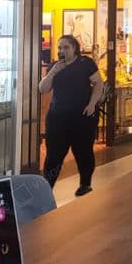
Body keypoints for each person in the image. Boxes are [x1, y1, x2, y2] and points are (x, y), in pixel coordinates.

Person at [39, 35, 104, 196]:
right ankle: (47, 190)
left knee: (83, 152)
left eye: (66, 47)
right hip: (57, 117)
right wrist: (53, 71)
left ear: (75, 48)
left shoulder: (85, 63)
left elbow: (98, 83)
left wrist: (92, 104)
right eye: (60, 48)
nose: (62, 51)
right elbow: (43, 88)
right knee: (54, 155)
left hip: (82, 116)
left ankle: (85, 184)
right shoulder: (55, 66)